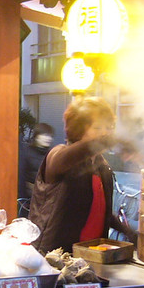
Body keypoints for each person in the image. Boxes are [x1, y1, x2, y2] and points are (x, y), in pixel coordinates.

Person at [28, 96, 135, 253]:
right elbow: (68, 158)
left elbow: (100, 211)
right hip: (54, 255)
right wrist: (108, 140)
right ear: (79, 130)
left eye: (109, 127)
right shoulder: (58, 155)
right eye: (98, 128)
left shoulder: (101, 166)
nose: (105, 133)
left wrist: (129, 233)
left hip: (92, 254)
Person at [18, 122, 54, 214]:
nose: (48, 138)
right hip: (29, 200)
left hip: (48, 200)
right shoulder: (26, 152)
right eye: (45, 135)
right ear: (37, 136)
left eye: (50, 136)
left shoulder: (52, 154)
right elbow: (21, 177)